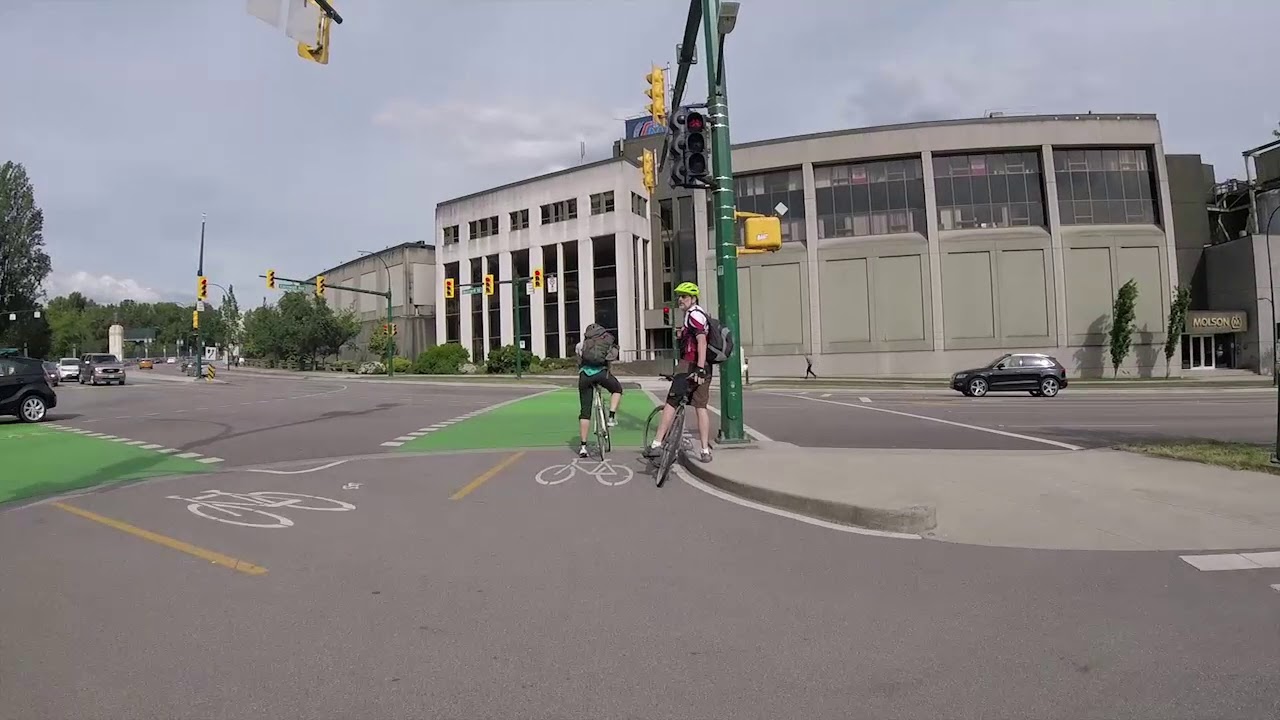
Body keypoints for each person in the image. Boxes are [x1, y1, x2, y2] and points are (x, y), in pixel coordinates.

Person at [646, 282, 712, 463]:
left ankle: (656, 444)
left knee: (671, 402)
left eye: (684, 296)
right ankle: (705, 451)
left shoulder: (694, 316)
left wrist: (697, 368)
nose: (680, 299)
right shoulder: (700, 313)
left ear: (693, 298)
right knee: (701, 407)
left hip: (690, 365)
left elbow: (701, 342)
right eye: (679, 296)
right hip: (704, 365)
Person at [574, 323, 624, 458]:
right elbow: (610, 359)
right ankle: (611, 417)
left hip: (585, 376)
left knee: (585, 412)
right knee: (617, 389)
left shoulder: (580, 345)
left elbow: (579, 362)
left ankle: (583, 447)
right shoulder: (606, 342)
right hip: (602, 374)